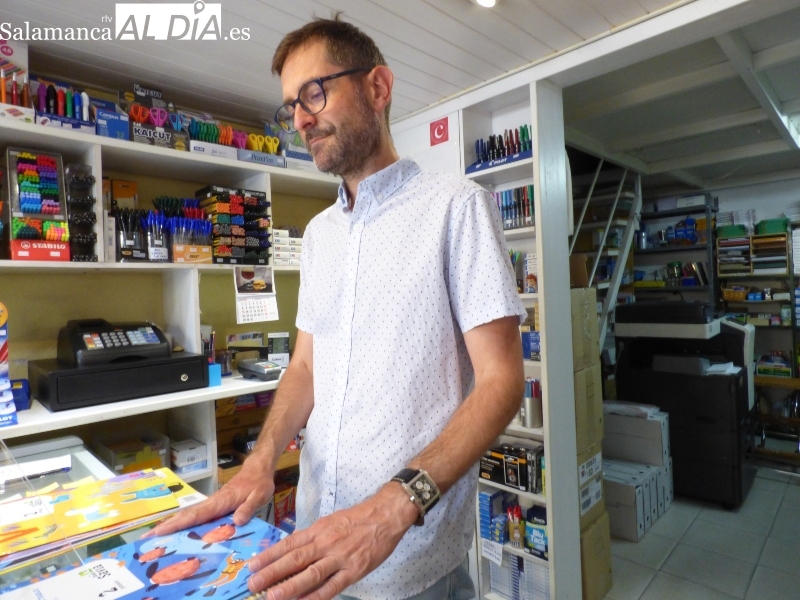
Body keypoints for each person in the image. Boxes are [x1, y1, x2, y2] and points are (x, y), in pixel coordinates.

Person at [153, 15, 527, 600]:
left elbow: (502, 381)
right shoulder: (319, 234)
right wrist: (260, 459)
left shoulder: (457, 208)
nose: (300, 119)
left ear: (378, 87)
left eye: (314, 92)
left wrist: (393, 506)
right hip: (311, 544)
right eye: (290, 106)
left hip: (409, 565)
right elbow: (306, 367)